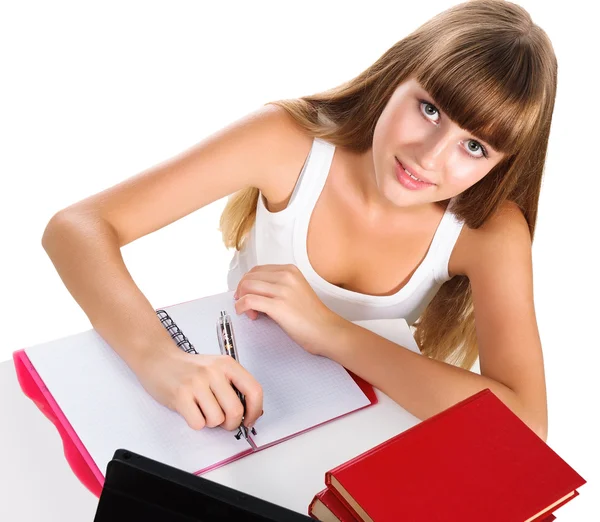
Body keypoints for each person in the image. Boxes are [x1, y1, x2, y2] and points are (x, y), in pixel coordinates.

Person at [41, 0, 556, 441]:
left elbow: (527, 426)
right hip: (233, 405)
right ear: (397, 74)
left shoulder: (488, 230)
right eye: (429, 109)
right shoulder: (288, 143)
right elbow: (77, 227)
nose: (429, 157)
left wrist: (331, 332)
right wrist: (159, 359)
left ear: (501, 163)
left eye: (473, 146)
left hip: (367, 434)